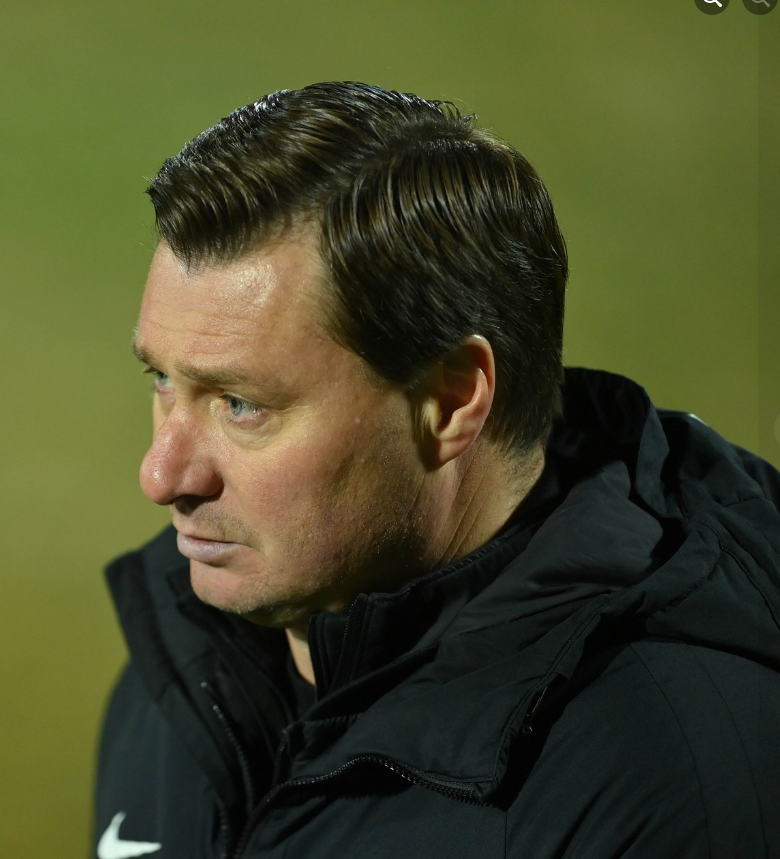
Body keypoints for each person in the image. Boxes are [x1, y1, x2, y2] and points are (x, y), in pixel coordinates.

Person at [91, 82, 780, 859]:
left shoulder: (671, 786)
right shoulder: (186, 670)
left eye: (241, 404)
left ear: (450, 402)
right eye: (161, 380)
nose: (162, 476)